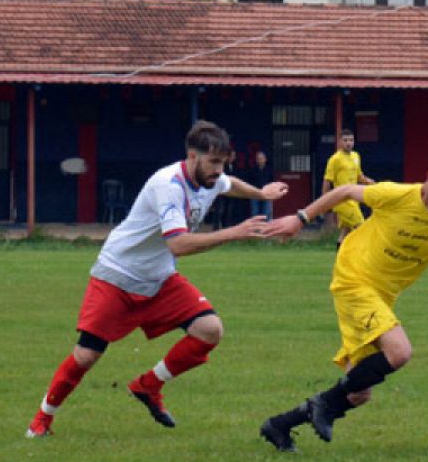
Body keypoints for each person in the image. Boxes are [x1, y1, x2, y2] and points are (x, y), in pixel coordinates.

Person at [25, 120, 288, 438]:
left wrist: (261, 192)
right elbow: (178, 244)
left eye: (223, 163)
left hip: (159, 278)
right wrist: (234, 232)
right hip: (117, 275)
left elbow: (229, 184)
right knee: (87, 355)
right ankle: (42, 419)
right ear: (192, 156)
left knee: (209, 330)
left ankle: (149, 385)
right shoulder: (169, 185)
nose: (219, 170)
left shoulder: (211, 179)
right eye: (214, 162)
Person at [259, 142, 428, 452]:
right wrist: (301, 218)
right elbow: (346, 191)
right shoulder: (398, 195)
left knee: (358, 392)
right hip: (354, 277)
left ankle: (280, 426)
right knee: (400, 351)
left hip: (381, 296)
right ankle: (322, 405)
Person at [322, 128, 375, 246]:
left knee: (346, 231)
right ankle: (361, 255)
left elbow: (359, 175)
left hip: (353, 199)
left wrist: (369, 181)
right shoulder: (335, 159)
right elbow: (327, 180)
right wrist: (324, 201)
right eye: (345, 140)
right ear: (340, 142)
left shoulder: (356, 156)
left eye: (351, 140)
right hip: (342, 200)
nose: (348, 143)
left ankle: (339, 255)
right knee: (361, 226)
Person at [247, 150, 275, 220]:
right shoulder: (253, 170)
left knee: (267, 211)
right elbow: (250, 182)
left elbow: (272, 182)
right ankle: (255, 227)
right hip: (255, 192)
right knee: (254, 211)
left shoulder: (269, 170)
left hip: (267, 193)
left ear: (265, 159)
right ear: (256, 160)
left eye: (262, 158)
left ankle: (267, 227)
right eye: (258, 159)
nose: (260, 160)